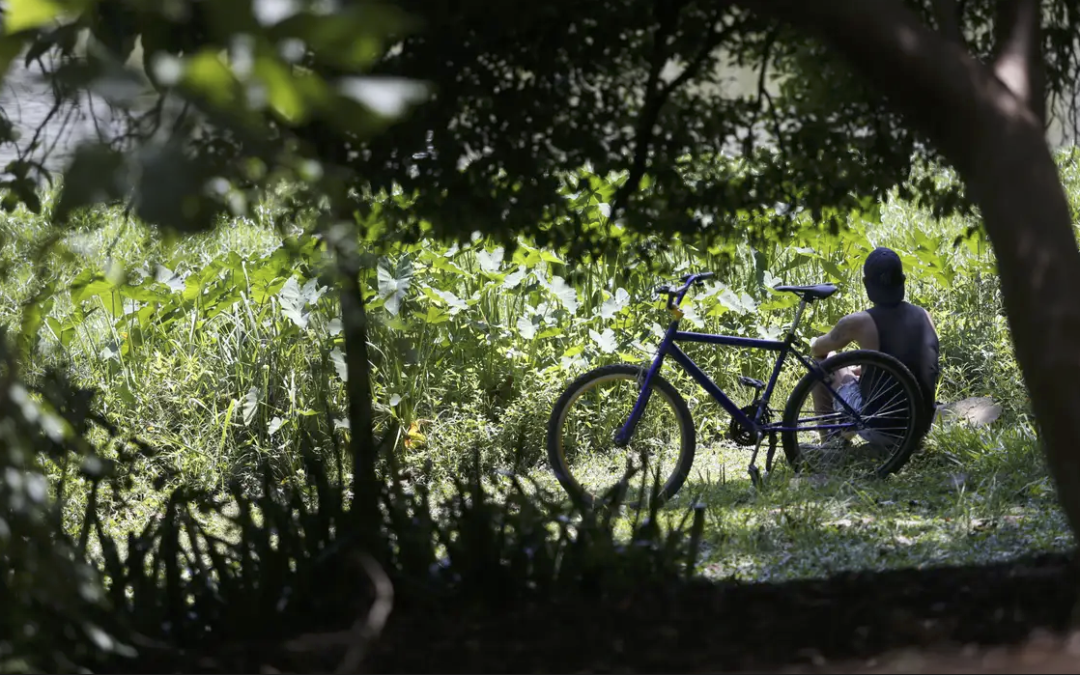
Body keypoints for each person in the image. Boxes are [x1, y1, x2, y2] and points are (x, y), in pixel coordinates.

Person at [809, 246, 941, 447]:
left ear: (865, 284)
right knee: (855, 369)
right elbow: (909, 362)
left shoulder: (859, 322)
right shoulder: (925, 315)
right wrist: (865, 369)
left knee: (822, 362)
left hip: (880, 427)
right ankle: (838, 439)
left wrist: (816, 344)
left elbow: (818, 349)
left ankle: (829, 443)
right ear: (903, 281)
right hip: (919, 426)